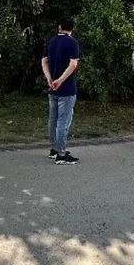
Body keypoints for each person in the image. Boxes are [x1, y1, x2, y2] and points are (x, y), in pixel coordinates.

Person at [42, 19, 81, 165]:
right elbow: (73, 64)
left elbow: (44, 61)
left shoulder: (51, 41)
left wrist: (49, 79)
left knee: (53, 120)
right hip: (67, 89)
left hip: (52, 88)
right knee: (63, 122)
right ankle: (61, 155)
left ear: (59, 27)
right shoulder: (72, 43)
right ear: (72, 28)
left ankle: (54, 149)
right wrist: (60, 80)